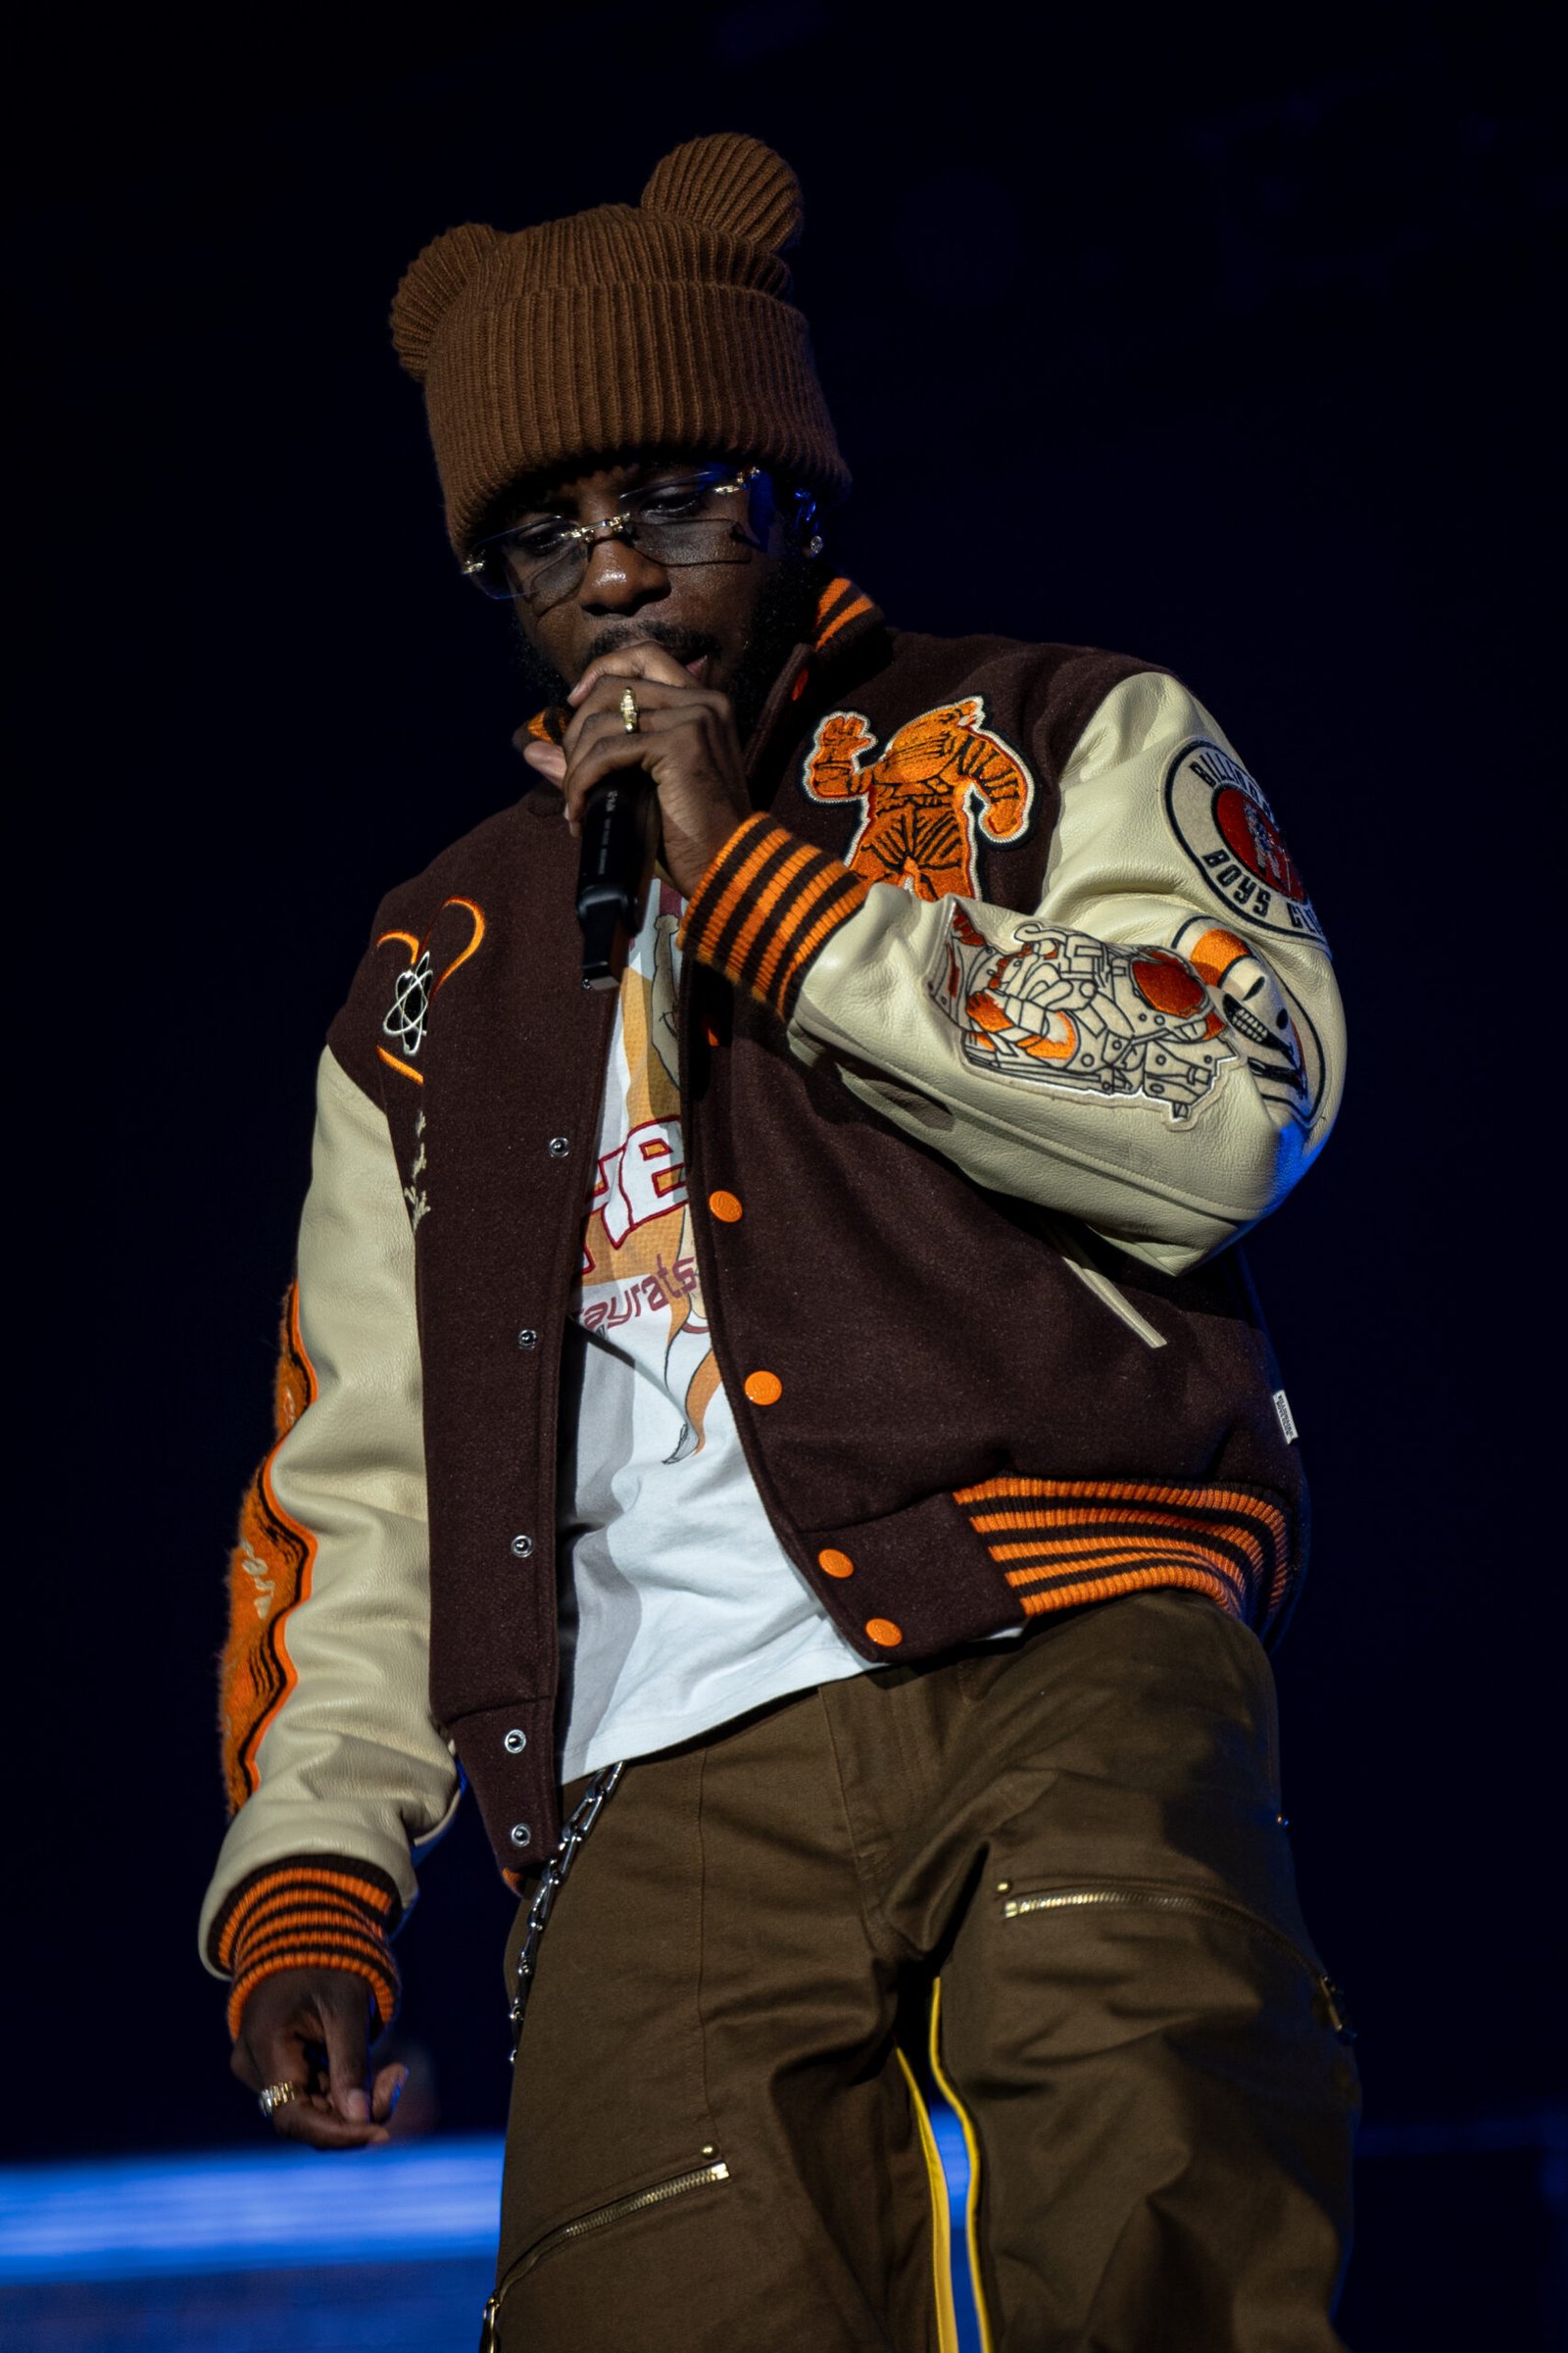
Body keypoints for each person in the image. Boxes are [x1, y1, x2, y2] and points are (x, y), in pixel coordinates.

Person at [200, 131, 1358, 2350]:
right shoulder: (432, 971)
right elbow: (361, 1474)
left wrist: (766, 888)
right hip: (647, 1787)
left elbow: (1231, 1104)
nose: (616, 572)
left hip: (1059, 1651)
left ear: (792, 495)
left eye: (674, 499)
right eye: (546, 537)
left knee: (1155, 2261)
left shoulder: (1057, 731)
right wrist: (315, 1873)